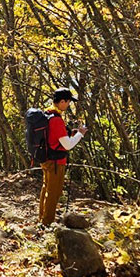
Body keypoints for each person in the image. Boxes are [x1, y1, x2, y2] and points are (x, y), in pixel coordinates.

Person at [38, 87, 87, 226]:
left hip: (46, 158)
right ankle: (47, 224)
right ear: (62, 101)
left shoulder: (47, 115)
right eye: (68, 101)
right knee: (53, 192)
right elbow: (67, 145)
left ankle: (42, 218)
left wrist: (70, 134)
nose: (69, 104)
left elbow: (55, 139)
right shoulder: (57, 120)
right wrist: (80, 134)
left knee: (46, 188)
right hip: (55, 161)